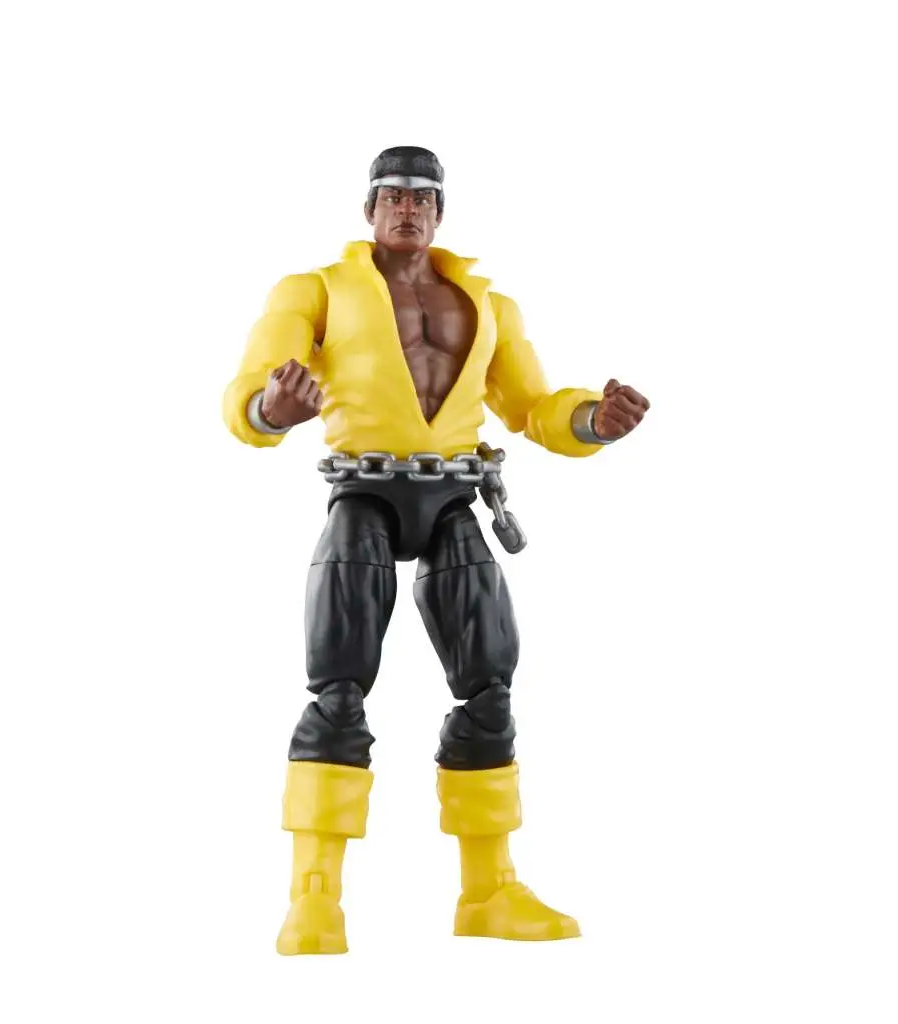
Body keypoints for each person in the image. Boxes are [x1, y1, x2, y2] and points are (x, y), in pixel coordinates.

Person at [223, 146, 649, 954]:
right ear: (369, 209)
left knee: (490, 683)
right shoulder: (314, 291)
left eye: (421, 197)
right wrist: (270, 409)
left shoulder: (486, 304)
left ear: (440, 212)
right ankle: (314, 896)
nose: (407, 208)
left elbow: (532, 405)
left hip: (452, 497)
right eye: (392, 195)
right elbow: (248, 388)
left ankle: (489, 890)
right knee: (338, 686)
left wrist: (592, 419)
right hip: (363, 494)